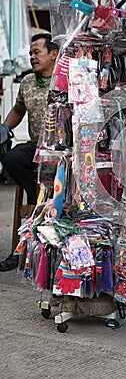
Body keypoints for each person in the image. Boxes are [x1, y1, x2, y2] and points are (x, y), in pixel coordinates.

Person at [0, 33, 59, 272]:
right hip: (37, 145)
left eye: (37, 52)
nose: (32, 57)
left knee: (48, 171)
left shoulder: (64, 80)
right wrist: (3, 128)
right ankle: (32, 195)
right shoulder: (27, 82)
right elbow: (18, 109)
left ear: (53, 54)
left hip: (60, 151)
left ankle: (32, 247)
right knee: (12, 157)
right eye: (31, 53)